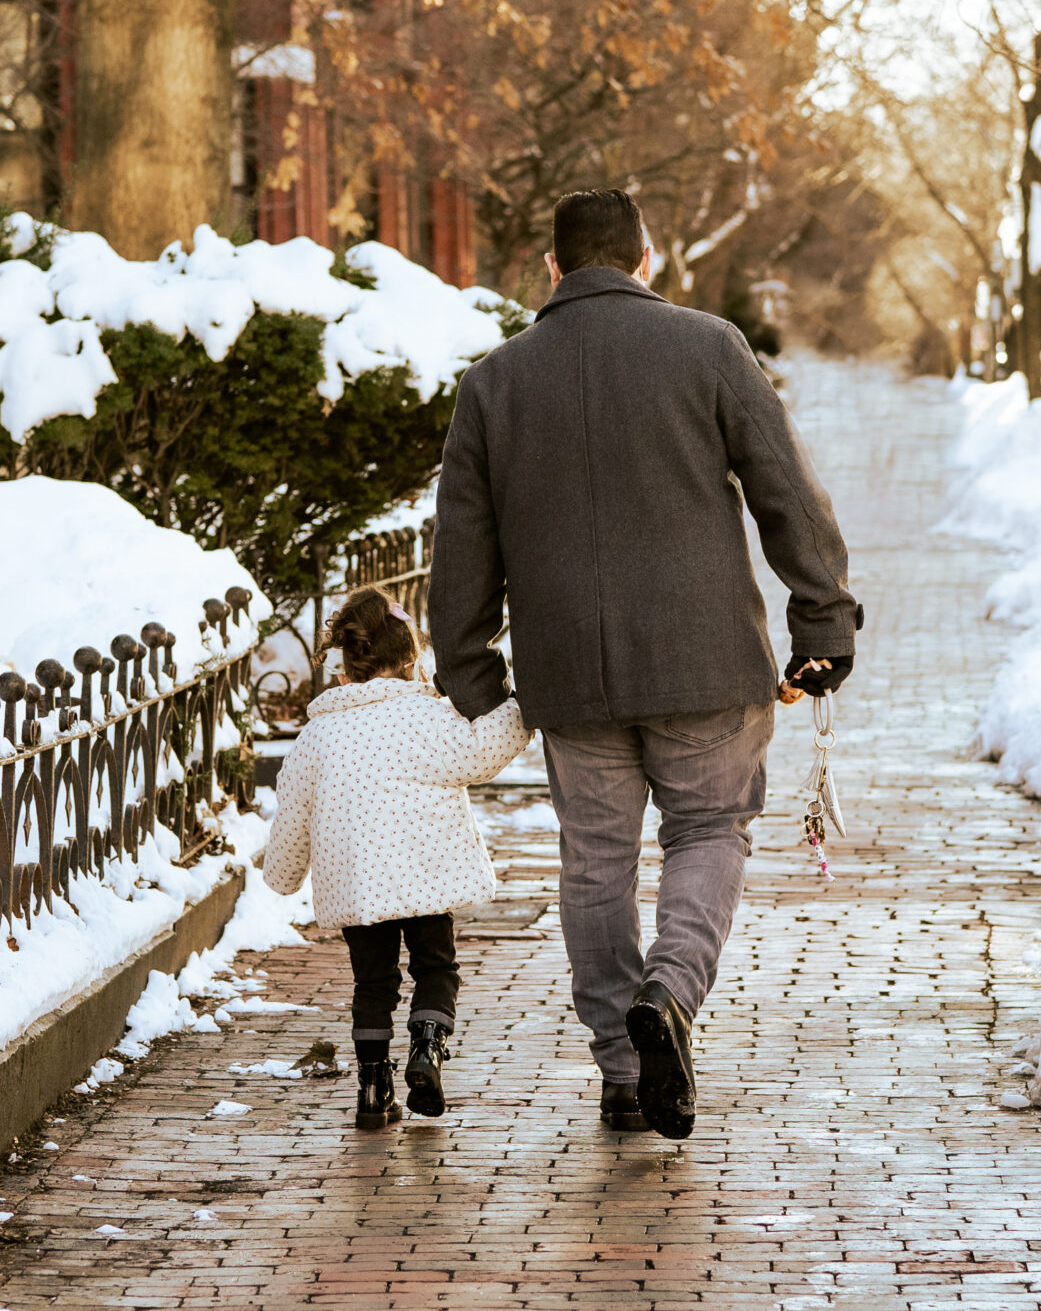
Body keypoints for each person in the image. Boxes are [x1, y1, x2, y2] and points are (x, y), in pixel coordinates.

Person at [428, 187, 860, 1142]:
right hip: (707, 660)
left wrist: (471, 670)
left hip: (570, 676)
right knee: (710, 829)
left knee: (595, 865)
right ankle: (668, 993)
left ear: (552, 268)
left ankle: (623, 1072)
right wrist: (822, 620)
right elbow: (786, 490)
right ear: (648, 257)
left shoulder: (496, 381)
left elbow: (461, 540)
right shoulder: (710, 347)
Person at [262, 586, 527, 1128]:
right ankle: (427, 1049)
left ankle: (372, 1086)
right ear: (412, 660)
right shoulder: (429, 720)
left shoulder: (319, 735)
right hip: (428, 877)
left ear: (346, 664)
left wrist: (283, 875)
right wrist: (524, 706)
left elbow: (293, 807)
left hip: (358, 885)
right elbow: (486, 748)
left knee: (373, 983)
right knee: (436, 967)